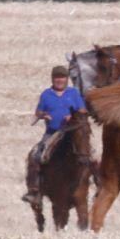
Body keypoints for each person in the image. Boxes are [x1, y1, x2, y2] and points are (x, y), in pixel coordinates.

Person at [23, 66, 87, 205]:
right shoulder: (46, 94)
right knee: (35, 155)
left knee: (88, 154)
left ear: (67, 79)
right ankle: (34, 191)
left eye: (62, 77)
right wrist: (43, 115)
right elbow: (38, 111)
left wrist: (73, 115)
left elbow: (82, 110)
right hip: (52, 132)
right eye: (57, 77)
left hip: (71, 133)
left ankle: (98, 183)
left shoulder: (73, 93)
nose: (59, 80)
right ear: (52, 79)